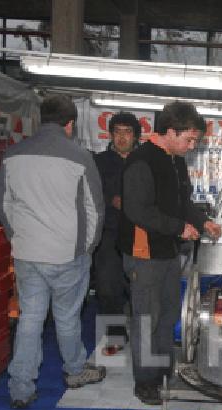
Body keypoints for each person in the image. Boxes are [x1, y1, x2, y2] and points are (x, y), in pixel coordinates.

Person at [0, 94, 107, 409]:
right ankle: (74, 371)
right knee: (67, 317)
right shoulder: (80, 157)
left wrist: (19, 237)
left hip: (27, 252)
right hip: (67, 253)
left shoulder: (12, 155)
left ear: (41, 119)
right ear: (70, 124)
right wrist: (86, 248)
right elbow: (95, 210)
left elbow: (3, 206)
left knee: (30, 318)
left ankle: (20, 388)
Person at [118, 101, 221, 405]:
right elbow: (138, 211)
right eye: (189, 139)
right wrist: (178, 228)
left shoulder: (175, 161)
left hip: (167, 252)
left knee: (167, 313)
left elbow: (183, 203)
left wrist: (203, 221)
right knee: (147, 318)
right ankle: (145, 381)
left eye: (195, 142)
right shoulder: (141, 161)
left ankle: (163, 369)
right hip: (143, 253)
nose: (192, 146)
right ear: (170, 132)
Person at [92, 112, 140, 348]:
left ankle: (144, 337)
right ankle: (115, 335)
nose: (122, 138)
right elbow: (88, 195)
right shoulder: (98, 162)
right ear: (110, 135)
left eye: (127, 132)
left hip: (140, 233)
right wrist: (110, 199)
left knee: (140, 288)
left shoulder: (145, 161)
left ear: (136, 136)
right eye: (117, 132)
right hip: (108, 233)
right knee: (107, 286)